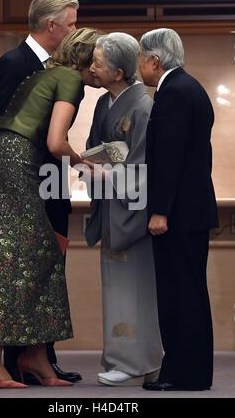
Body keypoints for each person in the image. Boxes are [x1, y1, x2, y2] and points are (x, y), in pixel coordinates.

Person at [0, 27, 101, 389]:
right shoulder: (70, 80)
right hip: (17, 159)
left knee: (34, 251)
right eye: (101, 59)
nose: (105, 68)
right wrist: (85, 162)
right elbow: (55, 141)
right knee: (24, 254)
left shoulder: (46, 71)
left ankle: (33, 354)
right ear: (88, 60)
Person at [0, 0, 81, 384]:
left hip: (51, 183)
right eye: (72, 24)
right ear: (51, 25)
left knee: (49, 270)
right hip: (23, 183)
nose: (75, 32)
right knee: (20, 268)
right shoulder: (13, 63)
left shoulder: (59, 67)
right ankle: (12, 358)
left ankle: (41, 357)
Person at [139, 28, 219, 391]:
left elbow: (169, 160)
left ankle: (180, 374)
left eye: (141, 59)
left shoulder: (172, 94)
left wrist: (160, 211)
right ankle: (193, 372)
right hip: (192, 211)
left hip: (178, 216)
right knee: (190, 292)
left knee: (178, 295)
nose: (139, 66)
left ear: (155, 61)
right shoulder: (191, 89)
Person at [83, 33, 162, 386]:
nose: (92, 69)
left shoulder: (143, 107)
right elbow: (92, 146)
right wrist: (91, 165)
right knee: (115, 289)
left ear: (118, 71)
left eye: (98, 63)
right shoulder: (103, 104)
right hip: (110, 204)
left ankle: (138, 359)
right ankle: (118, 356)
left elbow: (144, 167)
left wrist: (107, 170)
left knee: (136, 290)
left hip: (132, 208)